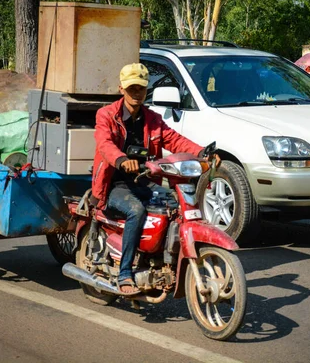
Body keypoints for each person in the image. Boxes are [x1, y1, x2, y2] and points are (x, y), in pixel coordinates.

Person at [90, 63, 220, 294]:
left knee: (175, 204)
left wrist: (201, 153)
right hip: (114, 184)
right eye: (131, 88)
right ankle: (125, 272)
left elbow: (175, 140)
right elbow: (105, 144)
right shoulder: (107, 114)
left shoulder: (152, 118)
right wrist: (121, 160)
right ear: (122, 88)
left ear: (146, 89)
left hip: (145, 181)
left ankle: (163, 258)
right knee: (136, 211)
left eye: (140, 88)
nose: (136, 93)